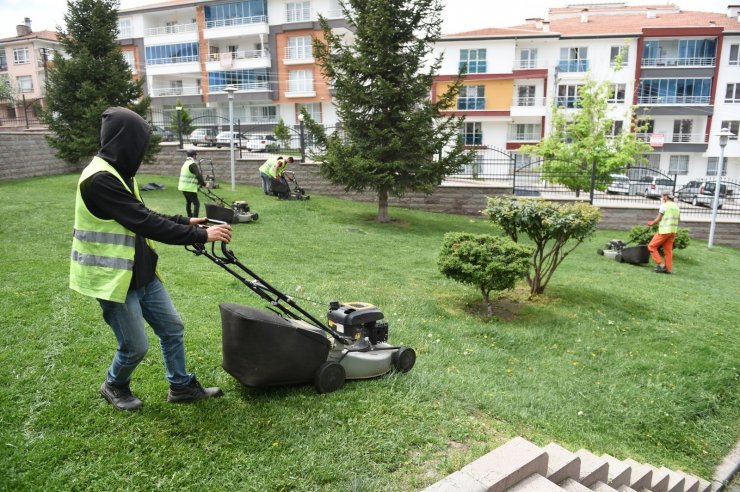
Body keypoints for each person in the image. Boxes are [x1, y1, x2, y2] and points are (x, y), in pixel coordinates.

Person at [70, 107, 233, 411]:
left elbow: (142, 213)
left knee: (172, 327)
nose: (142, 152)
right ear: (125, 141)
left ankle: (181, 386)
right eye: (139, 143)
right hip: (112, 278)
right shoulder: (99, 180)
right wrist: (201, 237)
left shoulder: (119, 173)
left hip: (142, 272)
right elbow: (144, 223)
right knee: (135, 346)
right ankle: (114, 384)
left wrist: (186, 222)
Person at [646, 191, 680, 274]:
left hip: (664, 231)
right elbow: (679, 219)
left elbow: (658, 219)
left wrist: (651, 223)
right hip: (673, 231)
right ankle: (668, 269)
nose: (662, 198)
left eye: (662, 196)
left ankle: (660, 265)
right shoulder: (676, 207)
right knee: (668, 251)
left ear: (666, 197)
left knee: (651, 246)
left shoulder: (664, 206)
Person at [178, 149, 206, 217]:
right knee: (196, 204)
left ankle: (190, 217)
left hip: (183, 187)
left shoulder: (185, 163)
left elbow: (191, 175)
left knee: (188, 202)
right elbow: (198, 175)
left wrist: (199, 184)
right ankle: (195, 220)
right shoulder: (192, 164)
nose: (196, 157)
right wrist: (204, 184)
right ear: (194, 156)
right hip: (189, 188)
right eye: (195, 155)